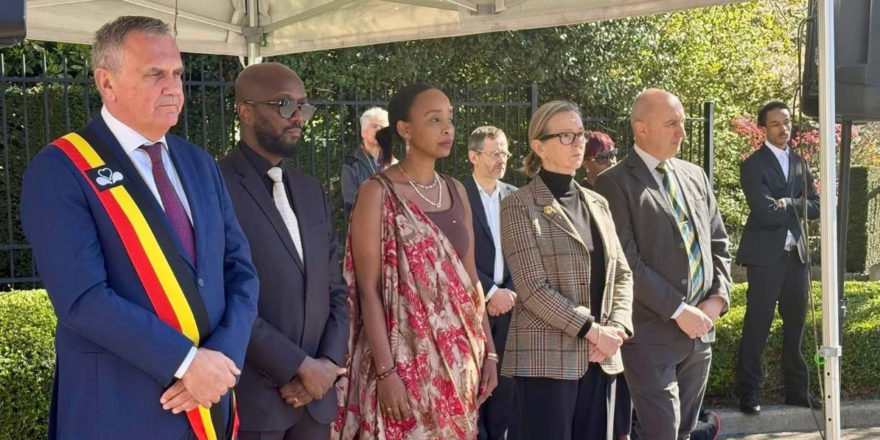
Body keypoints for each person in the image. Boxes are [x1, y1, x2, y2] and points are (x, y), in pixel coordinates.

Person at [19, 16, 259, 439]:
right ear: (106, 83)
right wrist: (187, 363)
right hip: (121, 412)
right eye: (155, 74)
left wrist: (221, 359)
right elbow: (83, 298)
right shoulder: (61, 168)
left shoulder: (199, 164)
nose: (173, 87)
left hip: (210, 401)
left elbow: (241, 273)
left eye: (177, 74)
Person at [333, 83, 498, 439]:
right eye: (434, 119)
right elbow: (367, 290)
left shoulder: (456, 190)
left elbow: (471, 280)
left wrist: (490, 353)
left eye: (450, 119)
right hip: (401, 363)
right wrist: (386, 372)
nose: (447, 128)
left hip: (461, 361)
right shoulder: (377, 192)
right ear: (405, 129)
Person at [218, 62, 350, 439]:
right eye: (284, 104)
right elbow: (221, 296)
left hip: (315, 400)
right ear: (245, 111)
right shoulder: (214, 185)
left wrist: (325, 365)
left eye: (303, 106)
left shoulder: (311, 191)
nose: (298, 117)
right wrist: (297, 366)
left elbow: (335, 289)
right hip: (254, 399)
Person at [594, 89, 732, 440]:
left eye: (682, 123)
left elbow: (719, 244)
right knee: (662, 431)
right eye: (671, 123)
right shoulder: (614, 182)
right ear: (641, 129)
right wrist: (679, 310)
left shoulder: (695, 175)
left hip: (700, 333)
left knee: (684, 432)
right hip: (651, 334)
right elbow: (626, 261)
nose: (681, 132)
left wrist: (717, 300)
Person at [500, 100, 633, 440]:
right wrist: (593, 331)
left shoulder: (598, 203)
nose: (578, 143)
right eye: (565, 135)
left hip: (601, 358)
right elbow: (532, 288)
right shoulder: (519, 204)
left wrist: (616, 328)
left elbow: (621, 273)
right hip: (546, 363)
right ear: (538, 146)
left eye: (580, 134)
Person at [735, 101, 820, 415]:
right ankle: (748, 393)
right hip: (765, 257)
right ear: (764, 128)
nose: (783, 128)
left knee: (796, 326)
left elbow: (817, 207)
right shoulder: (753, 165)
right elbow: (765, 213)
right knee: (757, 325)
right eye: (775, 124)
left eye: (786, 122)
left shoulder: (800, 163)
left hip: (796, 256)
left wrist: (786, 203)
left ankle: (797, 392)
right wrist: (793, 206)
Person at [462, 126, 519, 440]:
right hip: (470, 306)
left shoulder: (515, 196)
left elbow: (526, 251)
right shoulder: (457, 195)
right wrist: (490, 292)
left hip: (509, 307)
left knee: (505, 387)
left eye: (505, 152)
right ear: (474, 156)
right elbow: (454, 252)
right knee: (472, 381)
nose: (503, 159)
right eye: (495, 153)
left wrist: (508, 292)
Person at [341, 107, 392, 219]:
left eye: (383, 127)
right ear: (363, 132)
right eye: (374, 126)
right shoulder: (351, 165)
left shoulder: (396, 164)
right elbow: (351, 204)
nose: (379, 131)